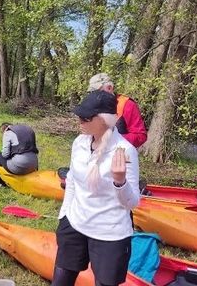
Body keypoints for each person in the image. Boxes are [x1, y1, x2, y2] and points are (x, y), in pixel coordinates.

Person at [51, 90, 140, 286]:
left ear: (103, 120)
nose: (79, 121)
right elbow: (73, 180)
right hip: (75, 223)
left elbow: (132, 203)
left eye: (85, 117)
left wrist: (120, 181)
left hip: (109, 233)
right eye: (79, 116)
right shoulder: (79, 143)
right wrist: (64, 215)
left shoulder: (126, 151)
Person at [88, 73, 147, 148]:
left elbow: (140, 136)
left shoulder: (127, 104)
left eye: (97, 91)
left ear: (109, 88)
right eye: (92, 92)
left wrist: (114, 140)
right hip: (95, 152)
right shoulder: (91, 105)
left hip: (121, 154)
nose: (94, 95)